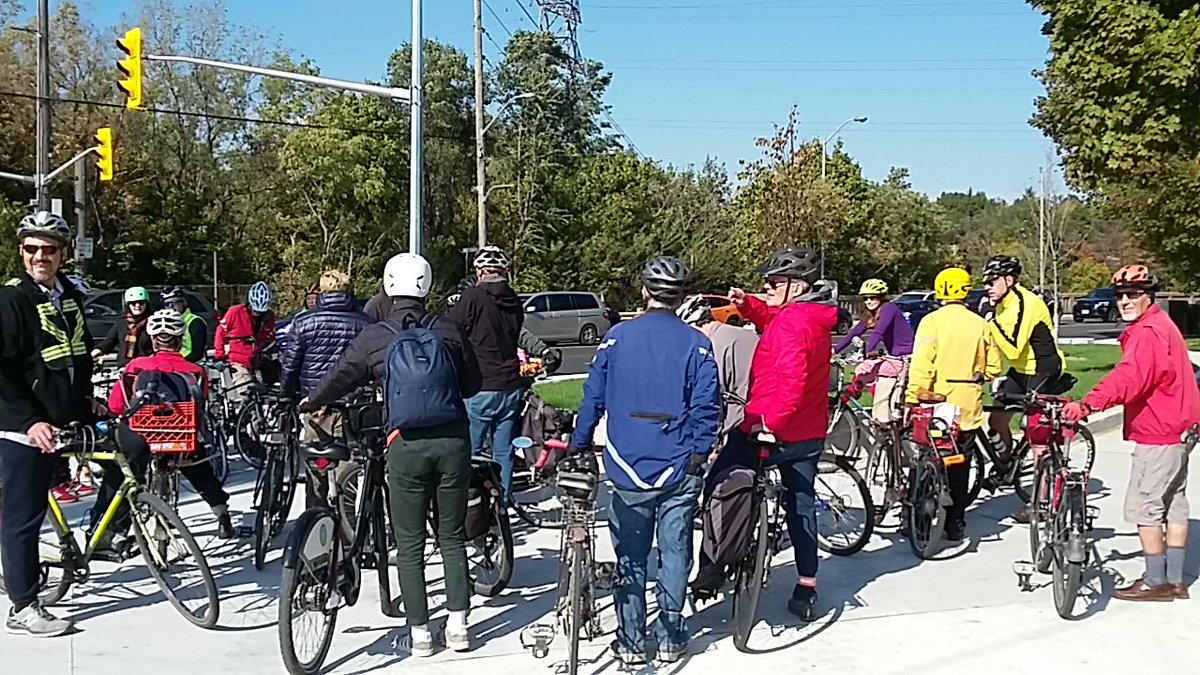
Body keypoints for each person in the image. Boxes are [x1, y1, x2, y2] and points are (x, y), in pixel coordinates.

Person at [302, 253, 481, 657]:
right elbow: (472, 384)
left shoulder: (375, 336)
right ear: (428, 286)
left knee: (410, 541)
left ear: (387, 285)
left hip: (404, 445)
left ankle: (419, 634)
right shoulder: (448, 331)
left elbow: (341, 376)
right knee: (451, 537)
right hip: (453, 441)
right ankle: (459, 627)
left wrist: (312, 401)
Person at [572, 256, 719, 665]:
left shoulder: (617, 338)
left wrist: (579, 443)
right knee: (674, 551)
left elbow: (593, 398)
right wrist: (700, 451)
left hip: (627, 462)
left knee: (632, 556)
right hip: (680, 463)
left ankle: (632, 640)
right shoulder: (697, 343)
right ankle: (671, 635)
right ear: (683, 297)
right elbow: (708, 407)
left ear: (644, 292)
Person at [1063, 266, 1200, 601]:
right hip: (1182, 426)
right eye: (1120, 295)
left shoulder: (1148, 332)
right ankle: (1175, 579)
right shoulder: (1162, 326)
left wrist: (1087, 405)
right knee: (1174, 503)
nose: (1124, 301)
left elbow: (1129, 379)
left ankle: (1157, 583)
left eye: (1133, 294)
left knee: (1146, 506)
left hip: (1161, 430)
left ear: (1148, 296)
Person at [724, 247, 838, 621]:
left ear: (796, 286)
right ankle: (807, 585)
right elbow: (775, 316)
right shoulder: (809, 315)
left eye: (773, 283)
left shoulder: (792, 324)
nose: (766, 287)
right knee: (801, 504)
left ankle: (713, 567)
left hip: (774, 428)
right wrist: (749, 306)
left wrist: (766, 423)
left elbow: (792, 383)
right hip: (809, 432)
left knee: (720, 482)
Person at [0, 211, 94, 637]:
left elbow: (78, 359)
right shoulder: (12, 300)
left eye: (49, 249)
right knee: (24, 518)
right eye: (32, 249)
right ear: (22, 253)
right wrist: (30, 420)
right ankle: (22, 607)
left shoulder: (69, 295)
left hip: (62, 423)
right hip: (24, 428)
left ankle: (103, 541)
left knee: (126, 457)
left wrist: (86, 410)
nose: (41, 256)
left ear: (62, 254)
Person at [98, 309, 234, 543]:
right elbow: (200, 405)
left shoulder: (137, 366)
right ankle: (221, 514)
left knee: (130, 474)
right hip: (181, 437)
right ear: (181, 340)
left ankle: (117, 530)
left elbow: (117, 405)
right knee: (199, 468)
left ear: (152, 340)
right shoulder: (195, 370)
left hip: (145, 436)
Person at [904, 267, 1002, 541]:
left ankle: (920, 520)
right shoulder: (980, 323)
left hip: (937, 404)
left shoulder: (931, 322)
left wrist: (913, 396)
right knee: (960, 463)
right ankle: (956, 523)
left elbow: (923, 362)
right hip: (967, 405)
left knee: (927, 458)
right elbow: (993, 366)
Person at [982, 256, 1066, 523]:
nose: (987, 287)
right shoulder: (1002, 304)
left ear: (1009, 280)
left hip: (1043, 368)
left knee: (1037, 434)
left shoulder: (1024, 303)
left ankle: (1042, 502)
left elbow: (1013, 346)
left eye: (992, 281)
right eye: (985, 282)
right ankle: (1008, 463)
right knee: (996, 419)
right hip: (1021, 369)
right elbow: (998, 348)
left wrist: (990, 324)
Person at [281, 269, 373, 507]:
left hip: (315, 403)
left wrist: (288, 394)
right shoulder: (366, 323)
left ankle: (316, 521)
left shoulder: (304, 322)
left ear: (321, 292)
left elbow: (291, 366)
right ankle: (349, 522)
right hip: (352, 405)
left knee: (316, 467)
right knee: (349, 467)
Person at [448, 246, 525, 500]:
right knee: (504, 451)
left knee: (473, 451)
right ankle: (502, 502)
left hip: (481, 383)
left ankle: (474, 505)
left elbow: (452, 331)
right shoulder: (514, 300)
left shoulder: (472, 297)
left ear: (480, 272)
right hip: (511, 384)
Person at [835, 278, 915, 423]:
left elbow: (879, 331)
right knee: (864, 369)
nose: (868, 301)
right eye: (865, 298)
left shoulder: (889, 308)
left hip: (906, 357)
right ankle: (871, 398)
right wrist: (835, 350)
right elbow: (854, 333)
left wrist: (869, 350)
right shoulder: (870, 314)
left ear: (881, 297)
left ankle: (879, 415)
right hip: (894, 358)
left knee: (867, 369)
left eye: (872, 297)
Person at [215, 280, 277, 399]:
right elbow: (220, 332)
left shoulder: (269, 316)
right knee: (247, 390)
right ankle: (245, 412)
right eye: (255, 310)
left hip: (257, 360)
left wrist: (269, 350)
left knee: (267, 391)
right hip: (238, 359)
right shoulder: (235, 312)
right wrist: (220, 355)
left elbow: (269, 337)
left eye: (261, 311)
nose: (257, 313)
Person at [91, 287, 153, 366]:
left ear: (146, 304)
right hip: (125, 367)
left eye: (141, 303)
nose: (137, 306)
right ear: (128, 305)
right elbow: (108, 343)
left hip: (147, 367)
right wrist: (91, 356)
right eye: (133, 303)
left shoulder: (152, 322)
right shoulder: (122, 323)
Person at [161, 287, 208, 364]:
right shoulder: (164, 322)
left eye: (175, 303)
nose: (171, 307)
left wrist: (179, 363)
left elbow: (197, 352)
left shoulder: (195, 321)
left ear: (184, 302)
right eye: (167, 304)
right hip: (170, 363)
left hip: (190, 364)